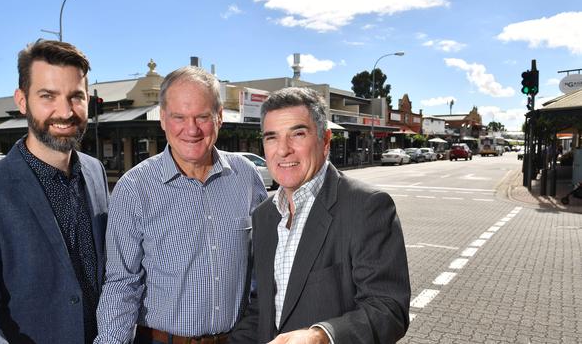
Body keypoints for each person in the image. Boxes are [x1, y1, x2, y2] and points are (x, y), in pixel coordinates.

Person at [0, 40, 109, 344]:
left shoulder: (95, 172)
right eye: (48, 96)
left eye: (76, 96)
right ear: (22, 101)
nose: (65, 111)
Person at [95, 66, 268, 344]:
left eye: (202, 117)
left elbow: (263, 265)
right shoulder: (134, 188)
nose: (192, 130)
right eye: (179, 117)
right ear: (163, 119)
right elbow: (122, 284)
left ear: (219, 117)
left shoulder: (246, 176)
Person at [230, 87, 410, 344]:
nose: (283, 150)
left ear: (325, 141)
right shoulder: (264, 217)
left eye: (298, 134)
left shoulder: (367, 207)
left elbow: (389, 309)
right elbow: (262, 309)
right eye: (272, 138)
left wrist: (322, 336)